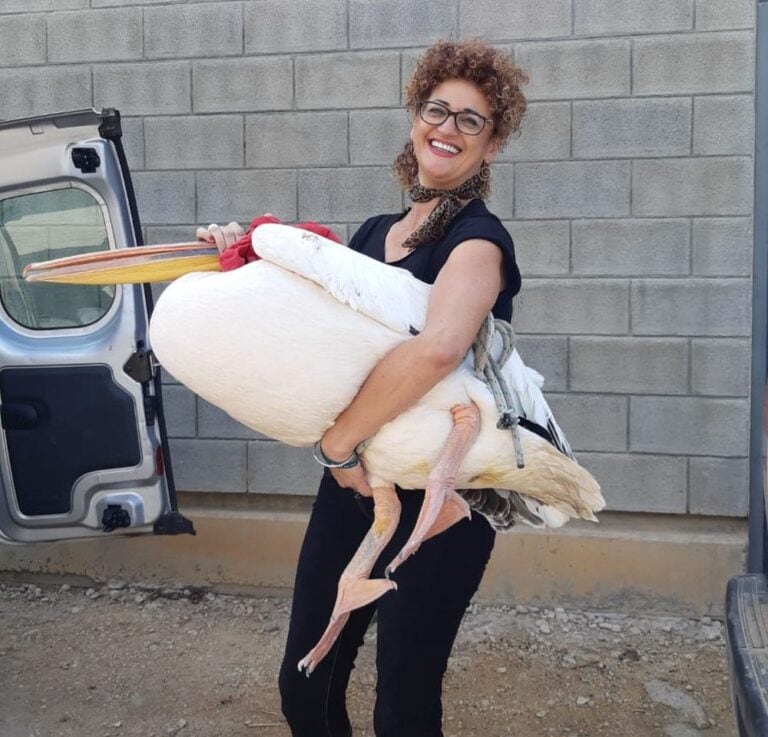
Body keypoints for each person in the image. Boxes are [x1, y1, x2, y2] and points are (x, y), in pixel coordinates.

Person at [201, 37, 527, 737]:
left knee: (403, 711)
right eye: (437, 110)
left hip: (440, 505)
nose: (448, 128)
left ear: (492, 145)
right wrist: (242, 258)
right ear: (415, 118)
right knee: (305, 688)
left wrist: (341, 444)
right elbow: (320, 330)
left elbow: (438, 347)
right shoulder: (374, 234)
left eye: (471, 120)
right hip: (351, 495)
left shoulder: (479, 240)